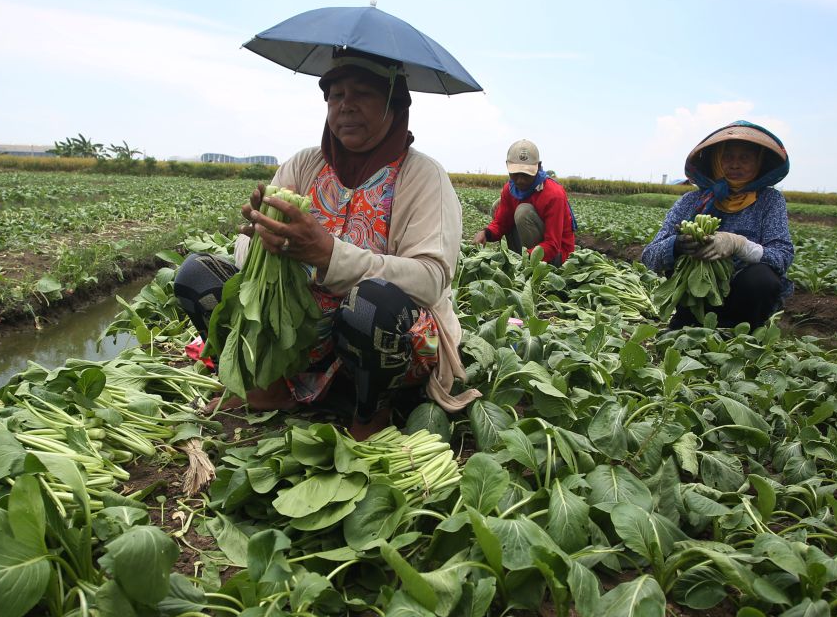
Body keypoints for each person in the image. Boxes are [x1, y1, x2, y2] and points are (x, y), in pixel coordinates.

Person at [174, 49, 477, 439]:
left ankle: (371, 411)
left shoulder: (424, 177)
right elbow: (245, 251)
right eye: (335, 95)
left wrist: (327, 254)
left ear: (394, 102)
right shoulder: (304, 166)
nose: (345, 106)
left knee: (372, 305)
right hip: (298, 334)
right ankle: (269, 385)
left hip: (379, 338)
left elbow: (430, 280)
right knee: (197, 276)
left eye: (362, 93)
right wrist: (262, 244)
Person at [641, 121, 794, 330]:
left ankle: (737, 330)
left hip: (743, 305)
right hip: (695, 299)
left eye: (745, 158)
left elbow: (782, 256)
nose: (735, 164)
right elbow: (650, 256)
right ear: (715, 160)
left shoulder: (769, 201)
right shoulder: (691, 201)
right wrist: (677, 245)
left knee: (762, 278)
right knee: (679, 262)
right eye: (728, 156)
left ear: (759, 162)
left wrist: (740, 245)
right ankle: (689, 322)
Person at [472, 139, 576, 265]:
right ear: (507, 165)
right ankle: (518, 260)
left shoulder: (553, 194)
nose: (520, 180)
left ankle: (525, 264)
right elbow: (501, 223)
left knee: (523, 211)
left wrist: (526, 258)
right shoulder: (509, 189)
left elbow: (553, 244)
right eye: (515, 174)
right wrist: (486, 233)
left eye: (526, 174)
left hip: (556, 255)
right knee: (498, 206)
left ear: (538, 166)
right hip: (529, 253)